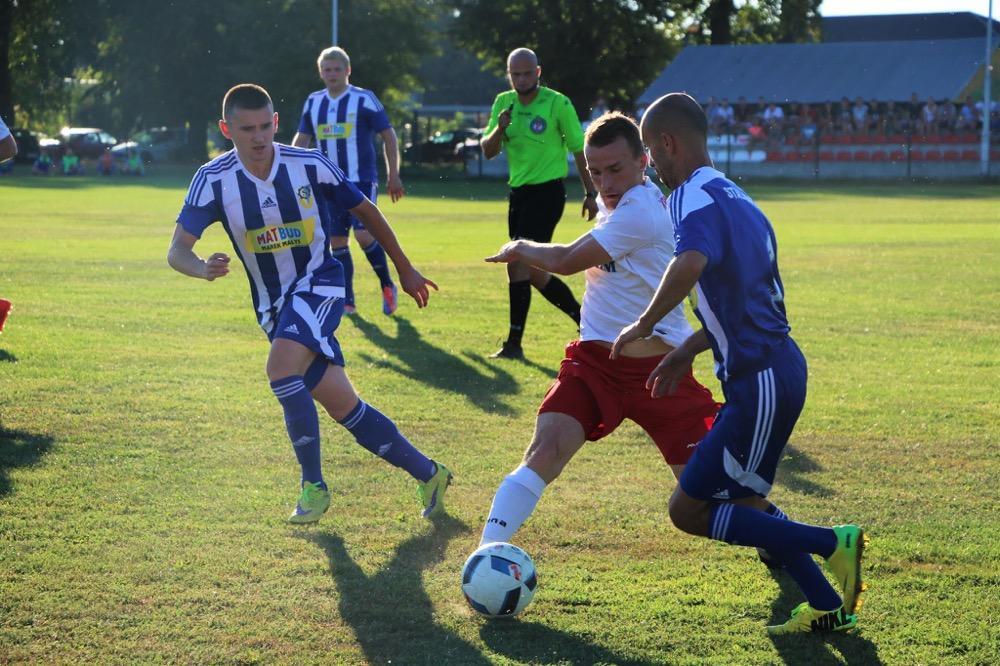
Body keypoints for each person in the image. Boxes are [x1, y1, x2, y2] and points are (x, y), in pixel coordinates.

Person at [612, 93, 867, 634]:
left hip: (760, 379)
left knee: (687, 511)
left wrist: (645, 323)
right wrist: (687, 349)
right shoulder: (738, 197)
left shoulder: (687, 197)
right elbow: (741, 300)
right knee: (747, 501)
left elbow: (690, 262)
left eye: (650, 152)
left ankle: (832, 543)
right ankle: (826, 602)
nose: (650, 165)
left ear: (667, 143)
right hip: (776, 369)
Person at [168, 84, 452, 524]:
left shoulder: (310, 164)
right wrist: (201, 267)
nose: (258, 137)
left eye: (265, 126)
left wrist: (404, 268)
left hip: (322, 285)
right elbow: (177, 251)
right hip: (273, 307)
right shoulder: (213, 179)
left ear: (276, 123)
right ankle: (430, 474)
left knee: (280, 369)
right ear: (226, 130)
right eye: (246, 129)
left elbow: (367, 212)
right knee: (344, 407)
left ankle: (313, 487)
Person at [478, 111, 720, 549]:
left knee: (709, 496)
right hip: (594, 365)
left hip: (659, 373)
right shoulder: (618, 207)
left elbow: (566, 260)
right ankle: (485, 555)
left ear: (644, 161)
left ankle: (790, 543)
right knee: (545, 451)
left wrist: (519, 247)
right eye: (594, 172)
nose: (605, 183)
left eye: (615, 169)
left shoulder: (641, 212)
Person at [480, 47, 599, 360]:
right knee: (531, 271)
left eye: (526, 73)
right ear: (509, 75)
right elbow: (488, 151)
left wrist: (591, 193)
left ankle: (514, 344)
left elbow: (579, 150)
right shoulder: (503, 103)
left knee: (518, 260)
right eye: (515, 74)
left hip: (547, 193)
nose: (521, 79)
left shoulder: (557, 103)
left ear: (538, 72)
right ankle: (585, 321)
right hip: (518, 194)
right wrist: (500, 128)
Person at [292, 46, 402, 317]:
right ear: (320, 72)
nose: (332, 74)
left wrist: (393, 173)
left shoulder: (364, 99)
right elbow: (302, 139)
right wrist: (289, 172)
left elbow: (388, 136)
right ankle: (347, 300)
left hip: (360, 179)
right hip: (326, 183)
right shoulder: (314, 102)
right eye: (327, 69)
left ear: (347, 70)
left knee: (364, 235)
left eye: (337, 69)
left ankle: (387, 284)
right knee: (337, 240)